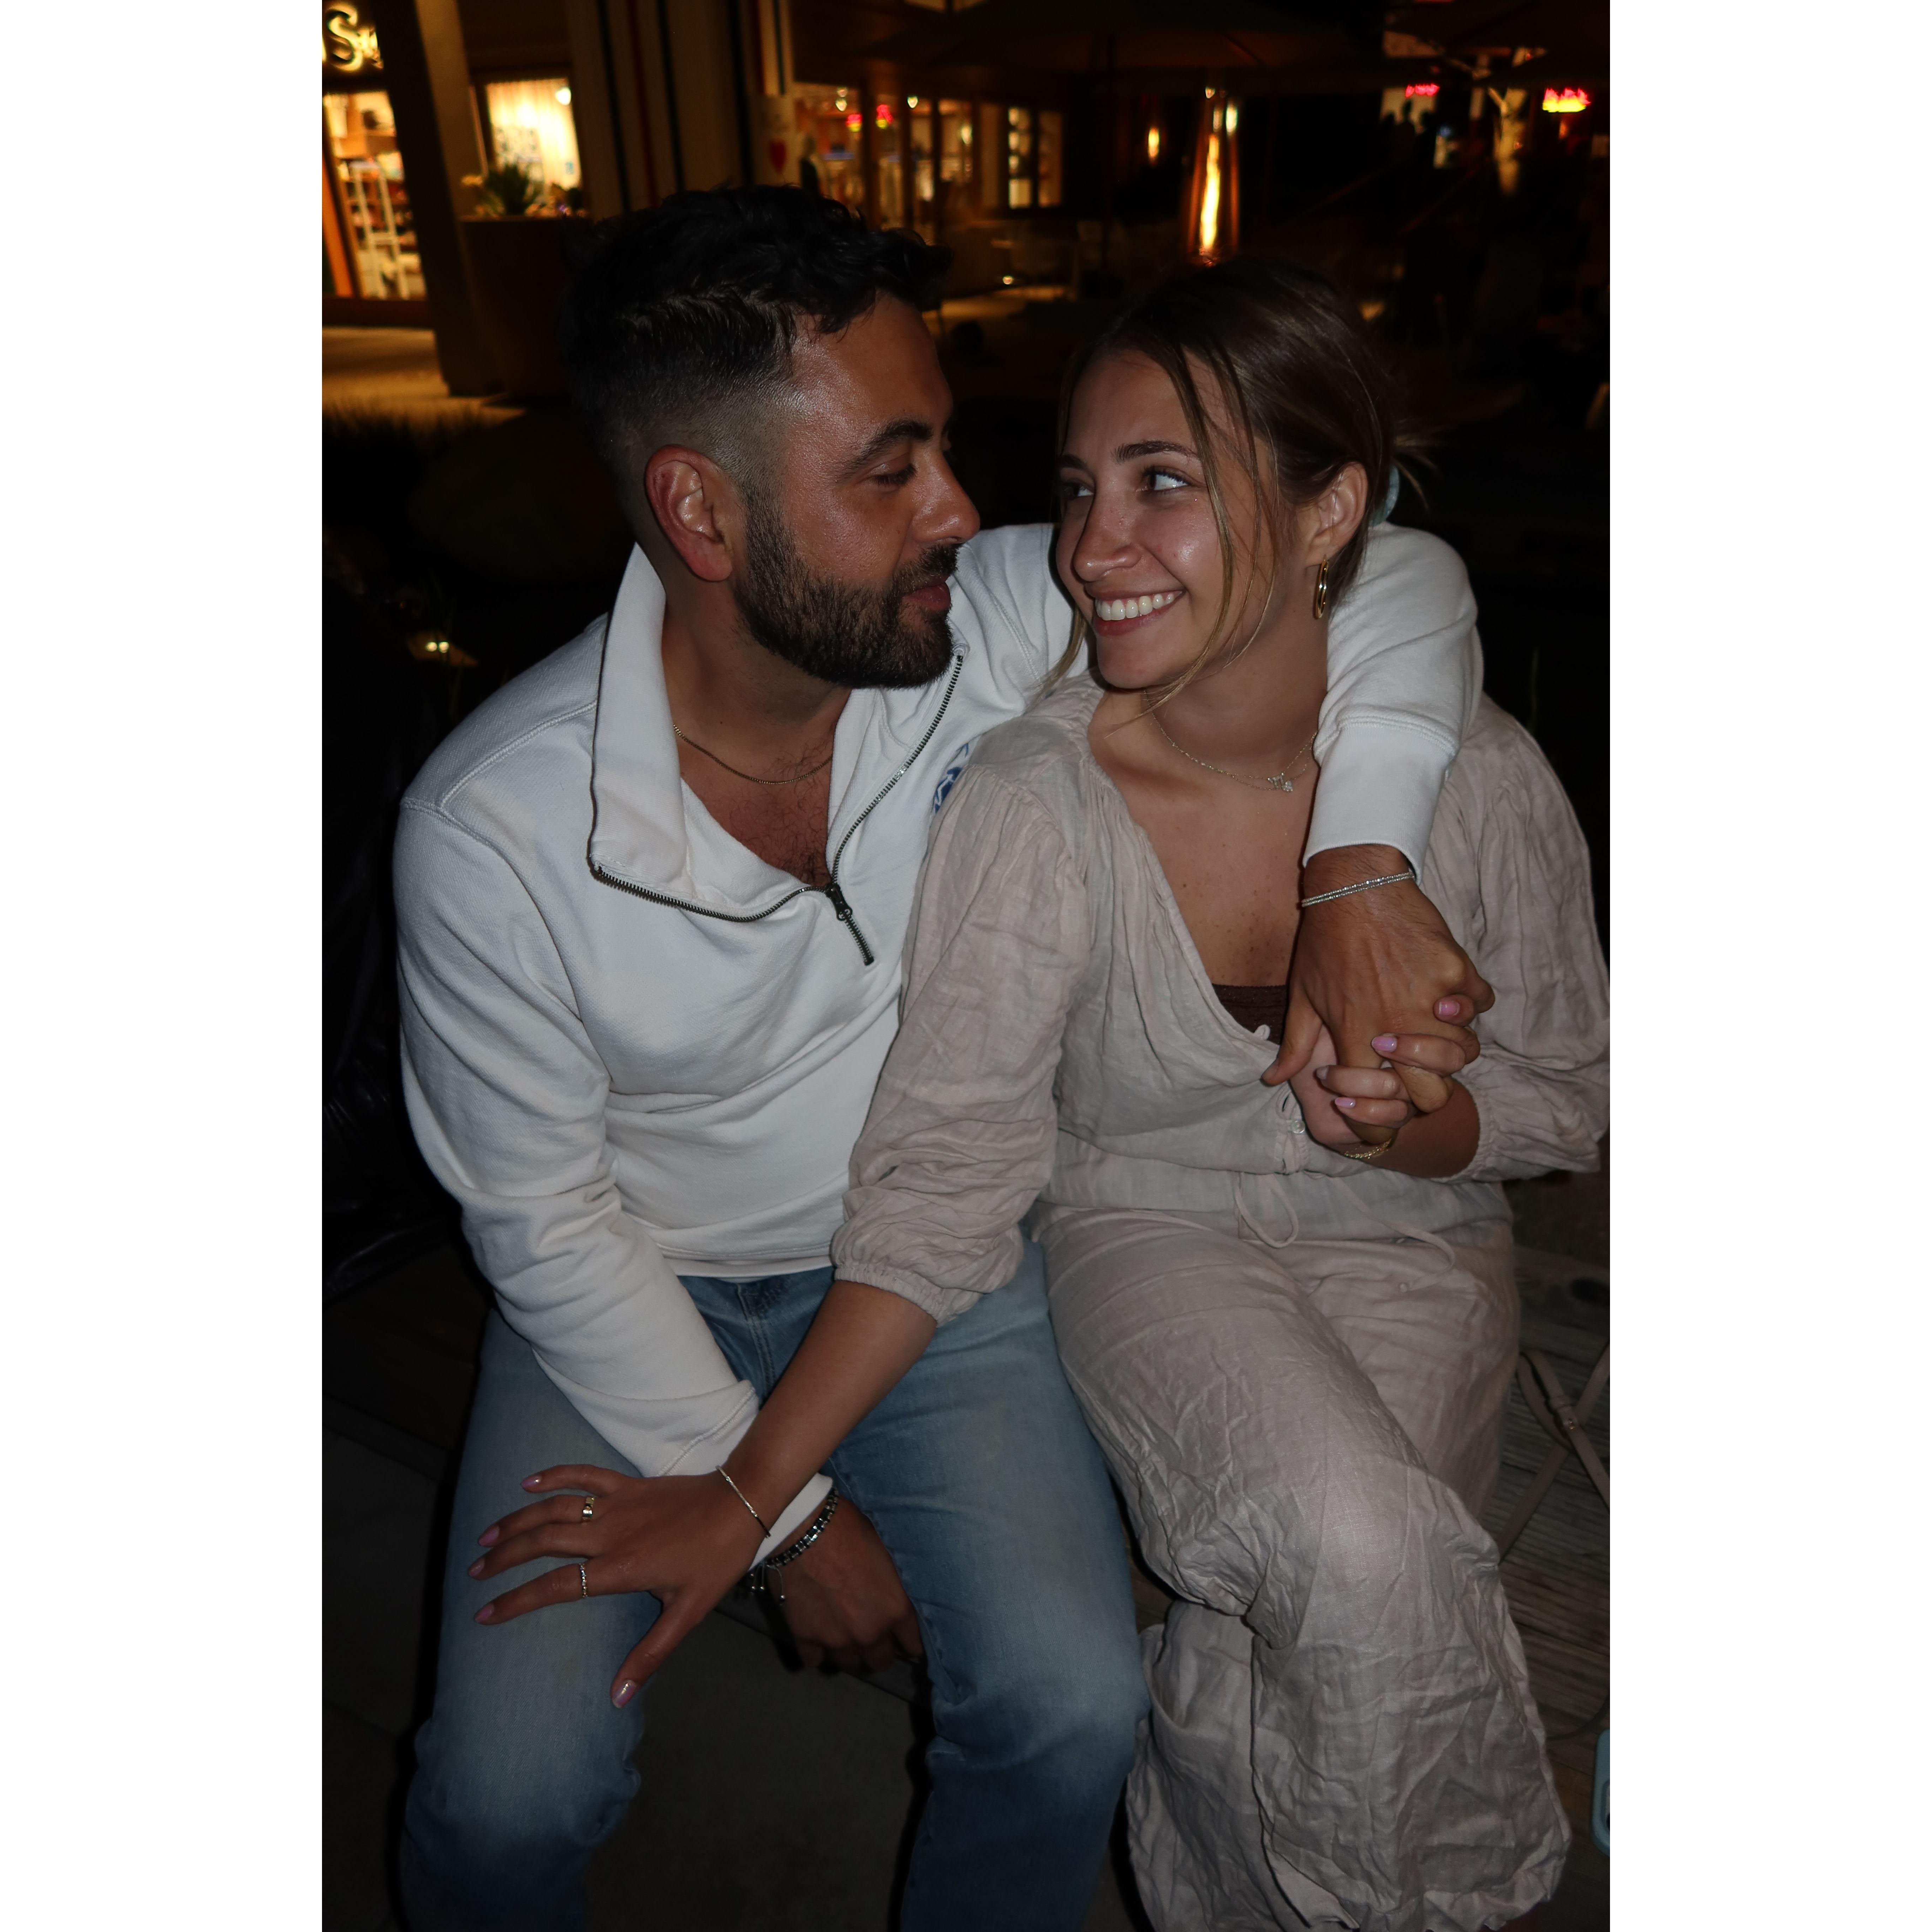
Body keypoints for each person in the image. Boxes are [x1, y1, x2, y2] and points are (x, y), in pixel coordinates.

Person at [393, 188, 1494, 1931]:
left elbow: (1382, 568)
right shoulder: (493, 833)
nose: (966, 514)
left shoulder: (972, 627)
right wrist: (788, 1519)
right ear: (700, 508)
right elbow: (541, 1220)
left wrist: (1360, 862)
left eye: (950, 453)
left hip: (949, 1278)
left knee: (1072, 1708)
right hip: (623, 1309)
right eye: (889, 471)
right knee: (512, 1794)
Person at [828, 258, 1608, 1930]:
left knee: (1292, 1649)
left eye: (1161, 483)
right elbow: (951, 1157)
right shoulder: (1038, 795)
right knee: (1364, 1551)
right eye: (1078, 489)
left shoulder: (1481, 778)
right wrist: (771, 1488)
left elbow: (1572, 1095)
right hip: (1150, 1226)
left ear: (1333, 511)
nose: (1093, 548)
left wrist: (1421, 1122)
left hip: (1413, 1234)